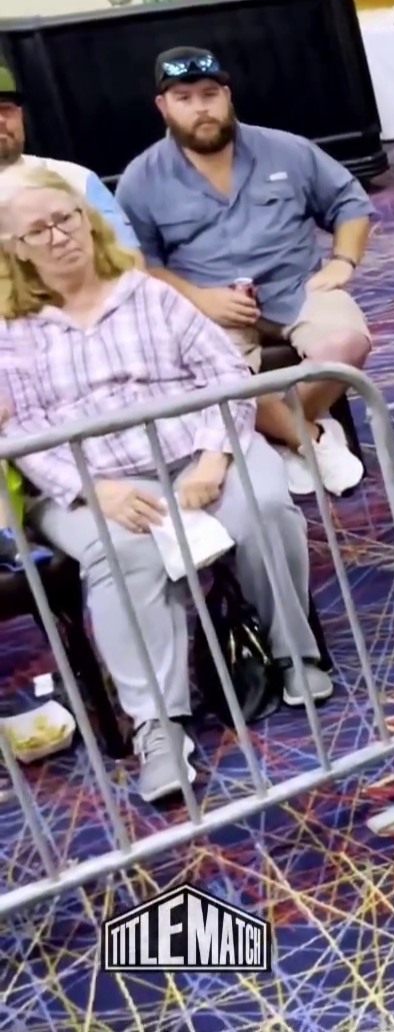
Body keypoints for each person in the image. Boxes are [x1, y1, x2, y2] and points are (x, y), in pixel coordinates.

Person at [0, 168, 326, 804]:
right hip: (92, 478)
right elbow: (20, 435)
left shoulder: (149, 294)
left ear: (87, 220)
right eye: (39, 230)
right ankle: (159, 725)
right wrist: (97, 491)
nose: (59, 235)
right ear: (16, 248)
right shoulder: (11, 331)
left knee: (262, 504)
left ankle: (296, 653)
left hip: (195, 448)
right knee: (124, 552)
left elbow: (225, 376)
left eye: (66, 218)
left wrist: (213, 458)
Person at [115, 47, 374, 498]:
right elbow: (139, 263)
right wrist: (199, 298)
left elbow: (349, 202)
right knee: (209, 376)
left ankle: (280, 434)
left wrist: (342, 261)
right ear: (163, 106)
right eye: (184, 98)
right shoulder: (142, 178)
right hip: (206, 307)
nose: (201, 108)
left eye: (210, 94)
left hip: (297, 288)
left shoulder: (286, 150)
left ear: (228, 95)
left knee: (348, 343)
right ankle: (310, 438)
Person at [0, 66, 137, 250]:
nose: (1, 120)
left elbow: (128, 257)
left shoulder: (76, 178)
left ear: (20, 115)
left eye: (6, 109)